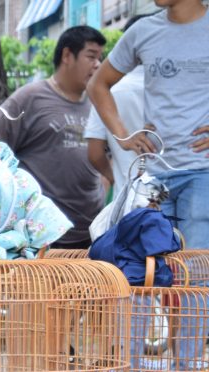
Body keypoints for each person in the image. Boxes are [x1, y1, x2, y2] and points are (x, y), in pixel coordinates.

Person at [88, 0, 209, 248]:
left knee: (196, 275)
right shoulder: (143, 31)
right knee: (155, 274)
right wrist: (122, 136)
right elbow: (98, 85)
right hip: (154, 177)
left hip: (202, 173)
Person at [0, 26, 107, 248]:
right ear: (67, 55)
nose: (98, 64)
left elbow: (108, 159)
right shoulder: (30, 98)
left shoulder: (99, 104)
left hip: (91, 234)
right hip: (41, 236)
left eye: (100, 58)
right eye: (91, 56)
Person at [85, 15, 150, 193]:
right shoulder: (186, 88)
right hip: (183, 200)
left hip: (129, 199)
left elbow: (95, 152)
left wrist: (116, 178)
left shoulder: (106, 90)